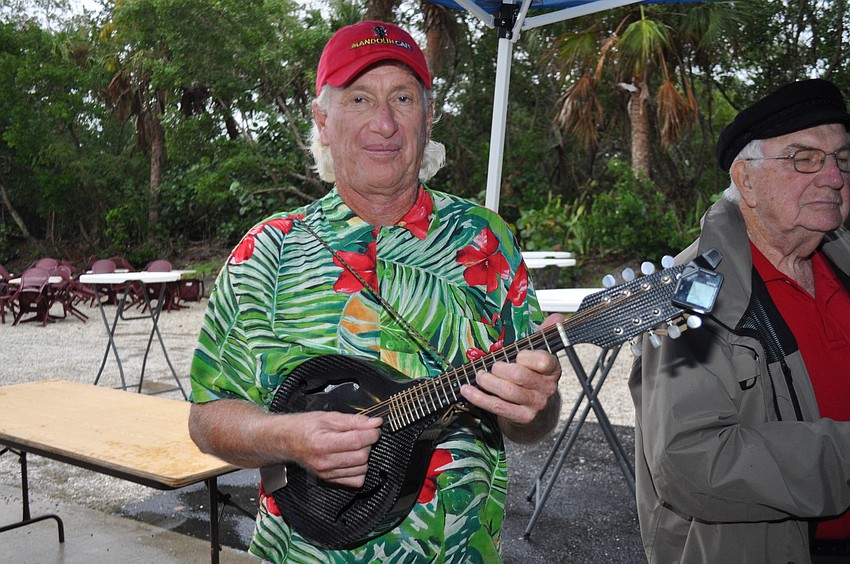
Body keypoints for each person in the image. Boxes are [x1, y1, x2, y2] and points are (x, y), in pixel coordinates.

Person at [187, 20, 563, 563]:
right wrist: (287, 437)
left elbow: (532, 424)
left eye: (403, 98)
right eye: (359, 98)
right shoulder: (266, 249)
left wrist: (536, 403)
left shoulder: (485, 239)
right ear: (322, 120)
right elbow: (206, 420)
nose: (384, 123)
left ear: (428, 117)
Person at [629, 78, 850, 563]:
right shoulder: (689, 293)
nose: (833, 177)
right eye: (805, 158)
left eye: (841, 159)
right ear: (746, 179)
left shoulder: (842, 265)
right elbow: (690, 461)